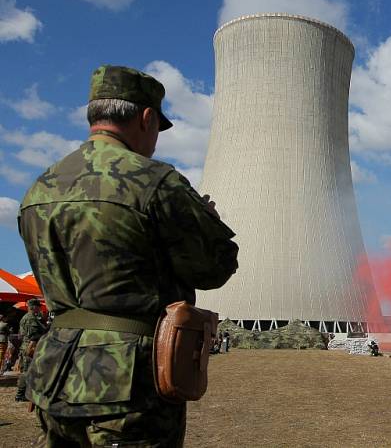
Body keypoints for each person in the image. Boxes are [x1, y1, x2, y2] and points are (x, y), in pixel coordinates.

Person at [17, 65, 239, 447]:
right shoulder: (152, 182)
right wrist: (208, 222)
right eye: (156, 128)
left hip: (54, 374)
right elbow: (215, 267)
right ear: (146, 117)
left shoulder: (40, 188)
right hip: (128, 383)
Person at [15, 299, 48, 401]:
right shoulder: (30, 318)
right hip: (30, 347)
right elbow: (33, 336)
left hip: (30, 346)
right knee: (27, 372)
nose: (40, 308)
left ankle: (26, 393)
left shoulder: (31, 317)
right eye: (38, 306)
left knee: (29, 371)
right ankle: (20, 395)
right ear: (33, 307)